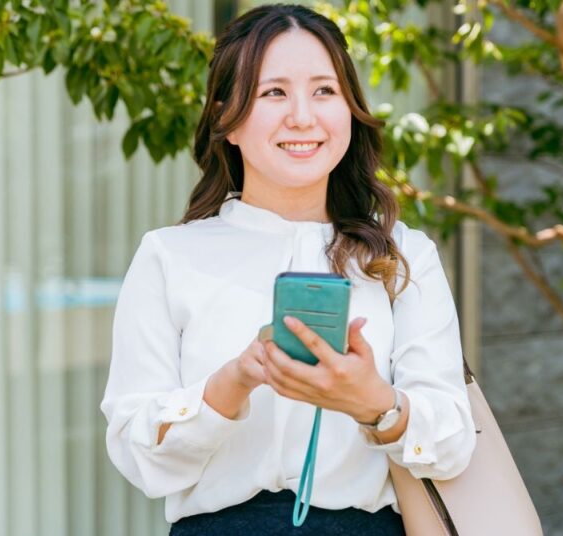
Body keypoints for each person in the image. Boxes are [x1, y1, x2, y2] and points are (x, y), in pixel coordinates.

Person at [99, 4, 476, 534]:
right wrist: (233, 382)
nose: (303, 116)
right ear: (226, 118)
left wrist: (373, 403)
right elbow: (139, 453)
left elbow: (455, 443)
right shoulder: (170, 256)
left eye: (324, 91)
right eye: (273, 92)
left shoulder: (401, 256)